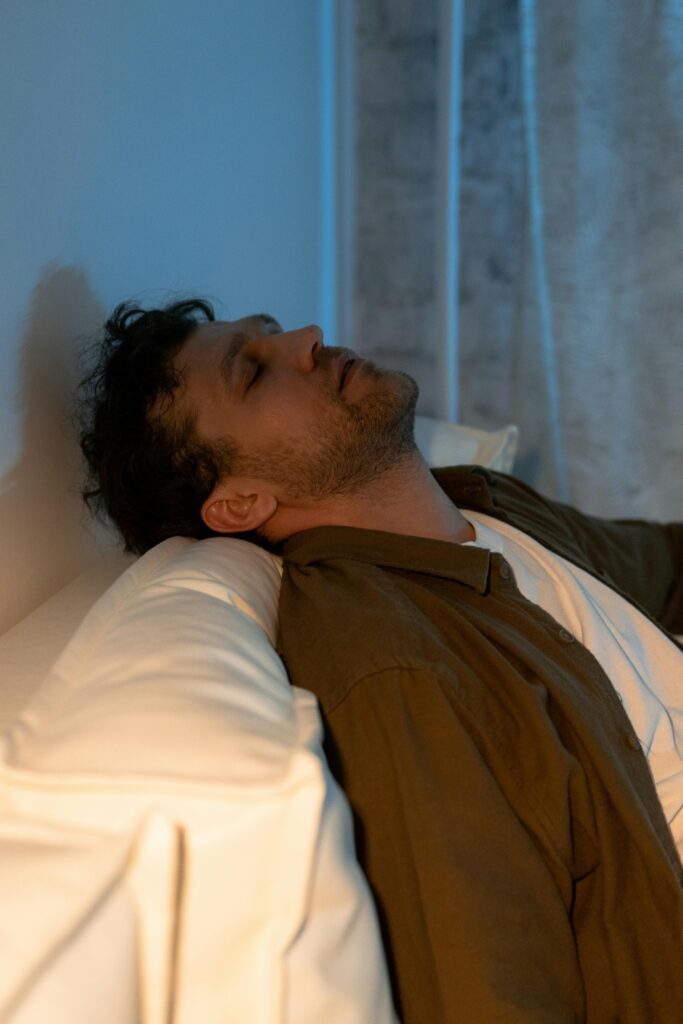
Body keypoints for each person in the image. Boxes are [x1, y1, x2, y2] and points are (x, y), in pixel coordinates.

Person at [76, 298, 683, 1023]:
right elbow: (487, 996)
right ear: (238, 504)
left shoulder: (485, 507)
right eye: (253, 372)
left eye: (274, 333)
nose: (306, 338)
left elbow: (668, 564)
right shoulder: (392, 664)